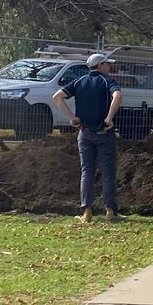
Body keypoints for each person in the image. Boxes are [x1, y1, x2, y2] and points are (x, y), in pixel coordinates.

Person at [54, 52, 122, 223]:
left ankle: (87, 212)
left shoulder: (79, 81)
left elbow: (57, 97)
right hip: (104, 133)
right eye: (106, 64)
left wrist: (71, 118)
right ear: (100, 66)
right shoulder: (107, 81)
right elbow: (118, 95)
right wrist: (109, 118)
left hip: (84, 134)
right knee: (108, 172)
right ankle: (110, 210)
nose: (109, 67)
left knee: (87, 171)